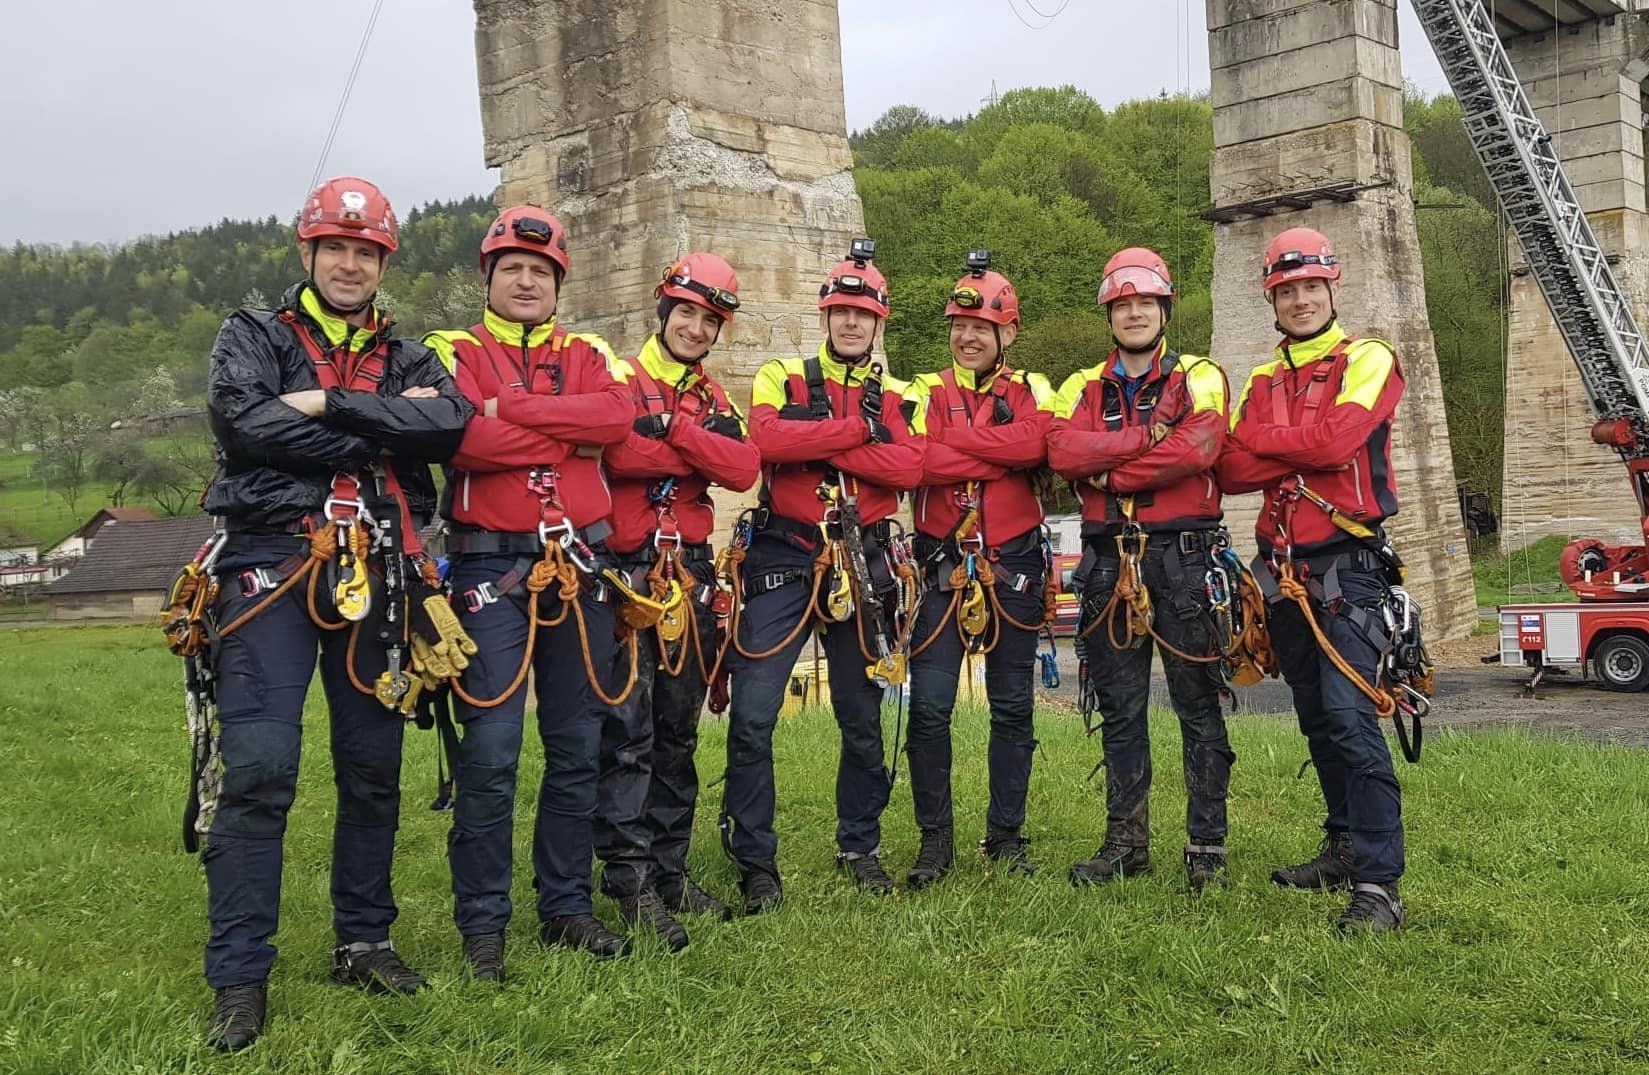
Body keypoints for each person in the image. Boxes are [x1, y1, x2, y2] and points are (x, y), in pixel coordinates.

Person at [200, 176, 470, 1050]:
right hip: (270, 559)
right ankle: (240, 975)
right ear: (308, 251)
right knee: (261, 768)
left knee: (372, 765)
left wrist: (326, 403)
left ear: (381, 260)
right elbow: (245, 424)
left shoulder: (410, 351)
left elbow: (452, 426)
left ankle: (364, 938)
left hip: (379, 568)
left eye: (366, 251)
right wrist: (381, 430)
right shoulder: (251, 336)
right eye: (337, 248)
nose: (351, 262)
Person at [424, 205, 635, 978]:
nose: (525, 280)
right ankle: (483, 926)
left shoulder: (588, 348)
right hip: (490, 568)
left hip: (579, 565)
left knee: (578, 745)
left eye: (540, 271)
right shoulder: (449, 348)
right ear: (488, 275)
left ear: (558, 283)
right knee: (490, 751)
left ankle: (565, 907)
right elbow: (457, 436)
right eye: (512, 267)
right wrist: (563, 431)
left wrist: (504, 409)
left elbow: (617, 419)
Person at [1216, 226, 1409, 932]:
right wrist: (1294, 450)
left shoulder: (1369, 358)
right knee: (1317, 717)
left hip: (1347, 569)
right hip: (1281, 574)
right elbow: (1230, 469)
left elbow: (1335, 441)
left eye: (1308, 287)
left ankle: (1380, 885)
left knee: (1352, 717)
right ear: (1272, 295)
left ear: (1332, 287)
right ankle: (1344, 844)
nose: (1298, 299)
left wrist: (1273, 446)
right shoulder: (1264, 379)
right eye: (1285, 289)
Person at [721, 238, 923, 908]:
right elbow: (765, 443)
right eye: (840, 311)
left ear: (879, 321)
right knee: (752, 712)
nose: (850, 323)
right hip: (784, 552)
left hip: (862, 553)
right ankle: (754, 855)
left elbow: (908, 470)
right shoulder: (781, 372)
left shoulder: (897, 392)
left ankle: (858, 841)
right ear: (825, 314)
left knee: (861, 714)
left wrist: (823, 436)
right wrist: (858, 433)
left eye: (862, 314)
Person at [1046, 246, 1236, 893]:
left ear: (1162, 308)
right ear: (1109, 311)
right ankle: (1126, 842)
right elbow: (1060, 451)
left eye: (1143, 302)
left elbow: (1202, 447)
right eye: (1121, 303)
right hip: (1107, 564)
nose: (1132, 312)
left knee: (1197, 705)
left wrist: (1106, 469)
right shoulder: (1081, 385)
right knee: (1120, 707)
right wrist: (1147, 443)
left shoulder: (1202, 374)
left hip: (1182, 556)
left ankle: (1205, 845)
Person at [594, 253, 761, 948]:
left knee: (677, 730)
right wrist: (690, 452)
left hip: (685, 575)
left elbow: (744, 467)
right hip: (625, 573)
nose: (695, 327)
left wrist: (675, 432)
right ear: (662, 310)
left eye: (709, 319)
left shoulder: (713, 399)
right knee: (626, 733)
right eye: (686, 313)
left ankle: (669, 870)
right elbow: (614, 453)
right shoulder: (616, 379)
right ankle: (627, 879)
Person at [901, 251, 1054, 887]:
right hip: (941, 564)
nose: (966, 337)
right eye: (959, 327)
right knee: (930, 709)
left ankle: (1006, 836)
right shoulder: (921, 390)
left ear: (1006, 334)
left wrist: (955, 450)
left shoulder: (1035, 389)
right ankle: (936, 841)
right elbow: (912, 461)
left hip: (1013, 563)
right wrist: (999, 459)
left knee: (1012, 706)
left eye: (980, 329)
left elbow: (1037, 443)